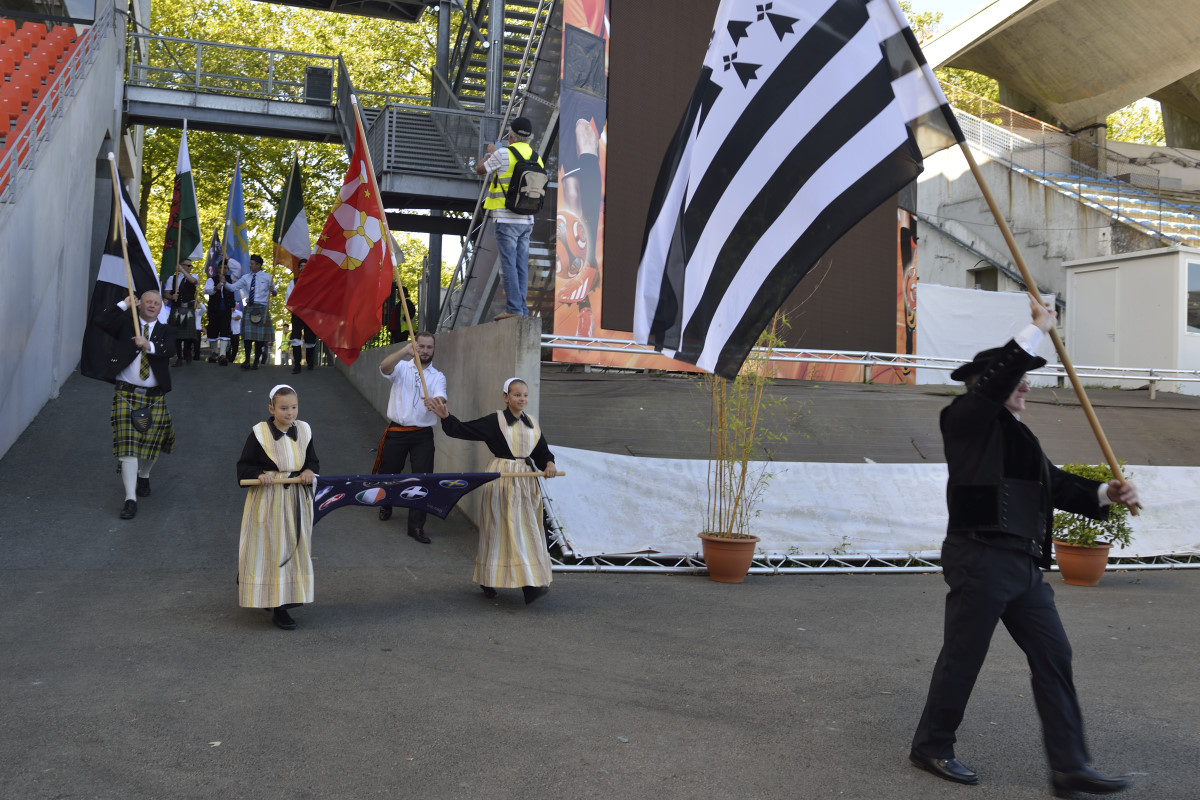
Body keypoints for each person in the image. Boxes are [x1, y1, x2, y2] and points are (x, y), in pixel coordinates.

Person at [909, 297, 1141, 796]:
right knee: (964, 654)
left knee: (1054, 654)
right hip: (979, 556)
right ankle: (932, 745)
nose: (1026, 384)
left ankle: (1069, 766)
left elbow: (1053, 485)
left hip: (1022, 567)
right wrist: (1035, 330)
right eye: (1018, 377)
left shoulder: (1019, 436)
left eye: (1028, 377)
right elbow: (997, 380)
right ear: (988, 381)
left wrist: (1106, 493)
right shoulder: (963, 420)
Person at [428, 378, 557, 604]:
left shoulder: (533, 423)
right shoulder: (495, 421)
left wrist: (549, 464)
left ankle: (529, 581)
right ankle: (506, 581)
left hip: (526, 482)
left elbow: (542, 452)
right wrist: (446, 417)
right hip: (503, 479)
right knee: (502, 531)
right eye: (517, 395)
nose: (522, 399)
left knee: (526, 530)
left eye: (525, 395)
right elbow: (463, 429)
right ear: (506, 397)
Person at [235, 384, 318, 631]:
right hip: (268, 500)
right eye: (283, 408)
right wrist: (260, 475)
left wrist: (309, 471)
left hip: (294, 499)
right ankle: (269, 598)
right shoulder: (259, 433)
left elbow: (311, 459)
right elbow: (244, 466)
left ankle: (283, 605)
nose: (290, 412)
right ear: (272, 408)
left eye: (294, 407)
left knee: (291, 551)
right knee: (268, 549)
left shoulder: (304, 430)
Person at [93, 290, 177, 520]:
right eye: (148, 302)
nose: (152, 306)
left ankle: (144, 474)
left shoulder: (166, 330)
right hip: (125, 394)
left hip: (155, 396)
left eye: (156, 303)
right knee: (128, 446)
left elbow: (170, 350)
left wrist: (147, 344)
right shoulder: (126, 325)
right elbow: (100, 321)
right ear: (140, 305)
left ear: (161, 308)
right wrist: (123, 303)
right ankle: (130, 498)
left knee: (152, 444)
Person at [374, 332, 447, 544]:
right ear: (415, 347)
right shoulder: (402, 367)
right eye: (420, 346)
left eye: (429, 347)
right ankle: (386, 503)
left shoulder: (437, 376)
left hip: (422, 434)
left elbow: (441, 396)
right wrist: (405, 351)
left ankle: (416, 526)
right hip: (397, 430)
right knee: (388, 473)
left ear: (433, 350)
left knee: (422, 479)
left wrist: (435, 401)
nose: (424, 351)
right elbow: (384, 367)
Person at [475, 116, 543, 321]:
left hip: (506, 219)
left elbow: (479, 170)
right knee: (521, 265)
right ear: (529, 138)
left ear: (510, 136)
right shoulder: (536, 156)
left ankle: (514, 308)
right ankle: (521, 308)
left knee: (508, 264)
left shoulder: (502, 154)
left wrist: (489, 154)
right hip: (527, 220)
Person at [227, 254, 276, 370]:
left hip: (262, 307)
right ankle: (247, 360)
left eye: (252, 264)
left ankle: (256, 362)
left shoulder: (268, 277)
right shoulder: (246, 277)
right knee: (248, 337)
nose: (250, 265)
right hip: (250, 306)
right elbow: (233, 288)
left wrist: (272, 290)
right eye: (250, 263)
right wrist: (224, 283)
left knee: (259, 338)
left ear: (258, 265)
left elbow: (275, 293)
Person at [163, 257, 200, 366]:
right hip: (177, 307)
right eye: (187, 265)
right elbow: (166, 293)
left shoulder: (194, 276)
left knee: (188, 336)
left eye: (191, 265)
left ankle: (187, 352)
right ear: (181, 265)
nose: (190, 267)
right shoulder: (172, 278)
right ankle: (179, 357)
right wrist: (171, 296)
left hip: (188, 307)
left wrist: (182, 271)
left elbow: (193, 281)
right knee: (176, 334)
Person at [285, 258, 318, 374]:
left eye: (305, 265)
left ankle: (309, 362)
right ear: (298, 268)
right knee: (296, 339)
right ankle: (297, 365)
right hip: (297, 314)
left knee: (310, 340)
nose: (303, 268)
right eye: (301, 266)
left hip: (310, 315)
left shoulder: (314, 283)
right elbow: (288, 298)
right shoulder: (292, 282)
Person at [204, 257, 237, 365]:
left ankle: (222, 354)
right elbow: (206, 290)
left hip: (226, 310)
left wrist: (229, 259)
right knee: (213, 330)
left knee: (224, 330)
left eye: (226, 267)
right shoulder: (211, 279)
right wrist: (215, 288)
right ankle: (214, 353)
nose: (224, 269)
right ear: (218, 268)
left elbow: (238, 269)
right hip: (214, 309)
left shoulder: (231, 278)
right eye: (222, 267)